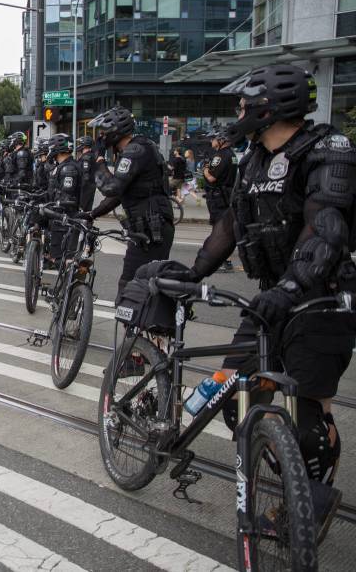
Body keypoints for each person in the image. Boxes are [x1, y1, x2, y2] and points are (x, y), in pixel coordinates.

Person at [178, 63, 356, 540]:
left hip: (320, 298)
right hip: (272, 296)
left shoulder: (329, 150)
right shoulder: (254, 157)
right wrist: (194, 272)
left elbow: (327, 228)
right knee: (237, 397)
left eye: (242, 103)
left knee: (310, 412)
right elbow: (231, 226)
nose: (237, 113)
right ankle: (291, 472)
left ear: (267, 105)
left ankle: (309, 502)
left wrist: (295, 287)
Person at [81, 106, 175, 298]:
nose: (100, 137)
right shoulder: (136, 149)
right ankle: (145, 326)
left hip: (151, 229)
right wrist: (93, 214)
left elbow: (111, 188)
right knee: (143, 286)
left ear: (115, 132)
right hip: (147, 227)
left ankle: (147, 326)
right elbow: (118, 194)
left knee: (130, 289)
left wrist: (98, 160)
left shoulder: (135, 151)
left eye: (103, 132)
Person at [201, 127, 238, 272]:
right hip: (227, 195)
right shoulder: (232, 155)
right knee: (224, 228)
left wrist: (205, 168)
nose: (211, 141)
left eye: (213, 138)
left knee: (220, 229)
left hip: (218, 197)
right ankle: (225, 260)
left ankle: (225, 261)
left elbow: (211, 177)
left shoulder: (220, 156)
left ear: (221, 140)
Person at [45, 134, 83, 269]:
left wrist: (54, 206)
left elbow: (66, 197)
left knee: (62, 258)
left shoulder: (68, 169)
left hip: (64, 218)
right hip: (59, 216)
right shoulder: (62, 166)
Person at [75, 135, 98, 211]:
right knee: (87, 210)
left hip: (85, 188)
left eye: (80, 143)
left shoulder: (86, 158)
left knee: (82, 209)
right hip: (90, 187)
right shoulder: (89, 155)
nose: (78, 145)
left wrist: (80, 189)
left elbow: (85, 176)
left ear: (85, 145)